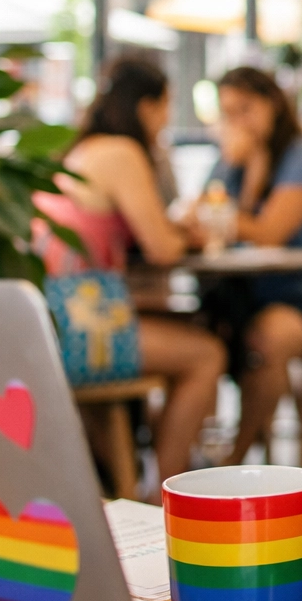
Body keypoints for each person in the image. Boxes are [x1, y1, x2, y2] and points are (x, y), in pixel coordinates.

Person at [36, 57, 226, 488]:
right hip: (81, 326)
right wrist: (188, 236)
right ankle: (171, 495)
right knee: (206, 354)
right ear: (146, 106)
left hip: (53, 317)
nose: (164, 120)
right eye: (165, 106)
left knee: (188, 329)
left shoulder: (84, 148)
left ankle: (143, 477)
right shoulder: (122, 153)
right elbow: (160, 247)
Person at [202, 66, 302, 466]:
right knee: (200, 334)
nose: (237, 122)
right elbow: (203, 217)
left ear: (272, 104)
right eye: (228, 112)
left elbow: (269, 232)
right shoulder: (230, 160)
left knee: (267, 339)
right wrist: (246, 172)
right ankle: (193, 463)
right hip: (247, 292)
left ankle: (234, 462)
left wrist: (250, 173)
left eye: (245, 108)